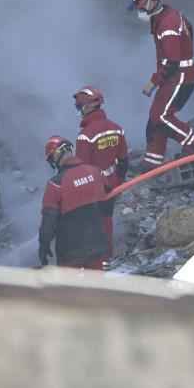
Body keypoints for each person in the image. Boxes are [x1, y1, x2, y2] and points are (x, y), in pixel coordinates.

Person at [129, 0, 194, 169]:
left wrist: (153, 82)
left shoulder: (167, 24)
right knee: (155, 117)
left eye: (141, 8)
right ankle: (153, 161)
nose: (140, 13)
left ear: (150, 3)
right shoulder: (167, 16)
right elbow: (190, 30)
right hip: (177, 74)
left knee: (161, 116)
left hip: (180, 75)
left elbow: (172, 61)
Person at [73, 86, 128, 259]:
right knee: (107, 223)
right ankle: (107, 259)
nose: (79, 111)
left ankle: (97, 262)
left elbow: (81, 171)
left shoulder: (85, 136)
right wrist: (118, 184)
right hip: (112, 185)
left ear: (87, 107)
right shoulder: (116, 129)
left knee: (91, 228)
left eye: (79, 106)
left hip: (93, 191)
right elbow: (124, 161)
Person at [38, 136, 108, 270]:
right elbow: (108, 197)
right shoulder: (95, 171)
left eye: (51, 159)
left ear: (57, 155)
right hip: (97, 245)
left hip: (70, 252)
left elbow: (48, 221)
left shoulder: (55, 184)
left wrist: (43, 246)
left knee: (69, 284)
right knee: (97, 282)